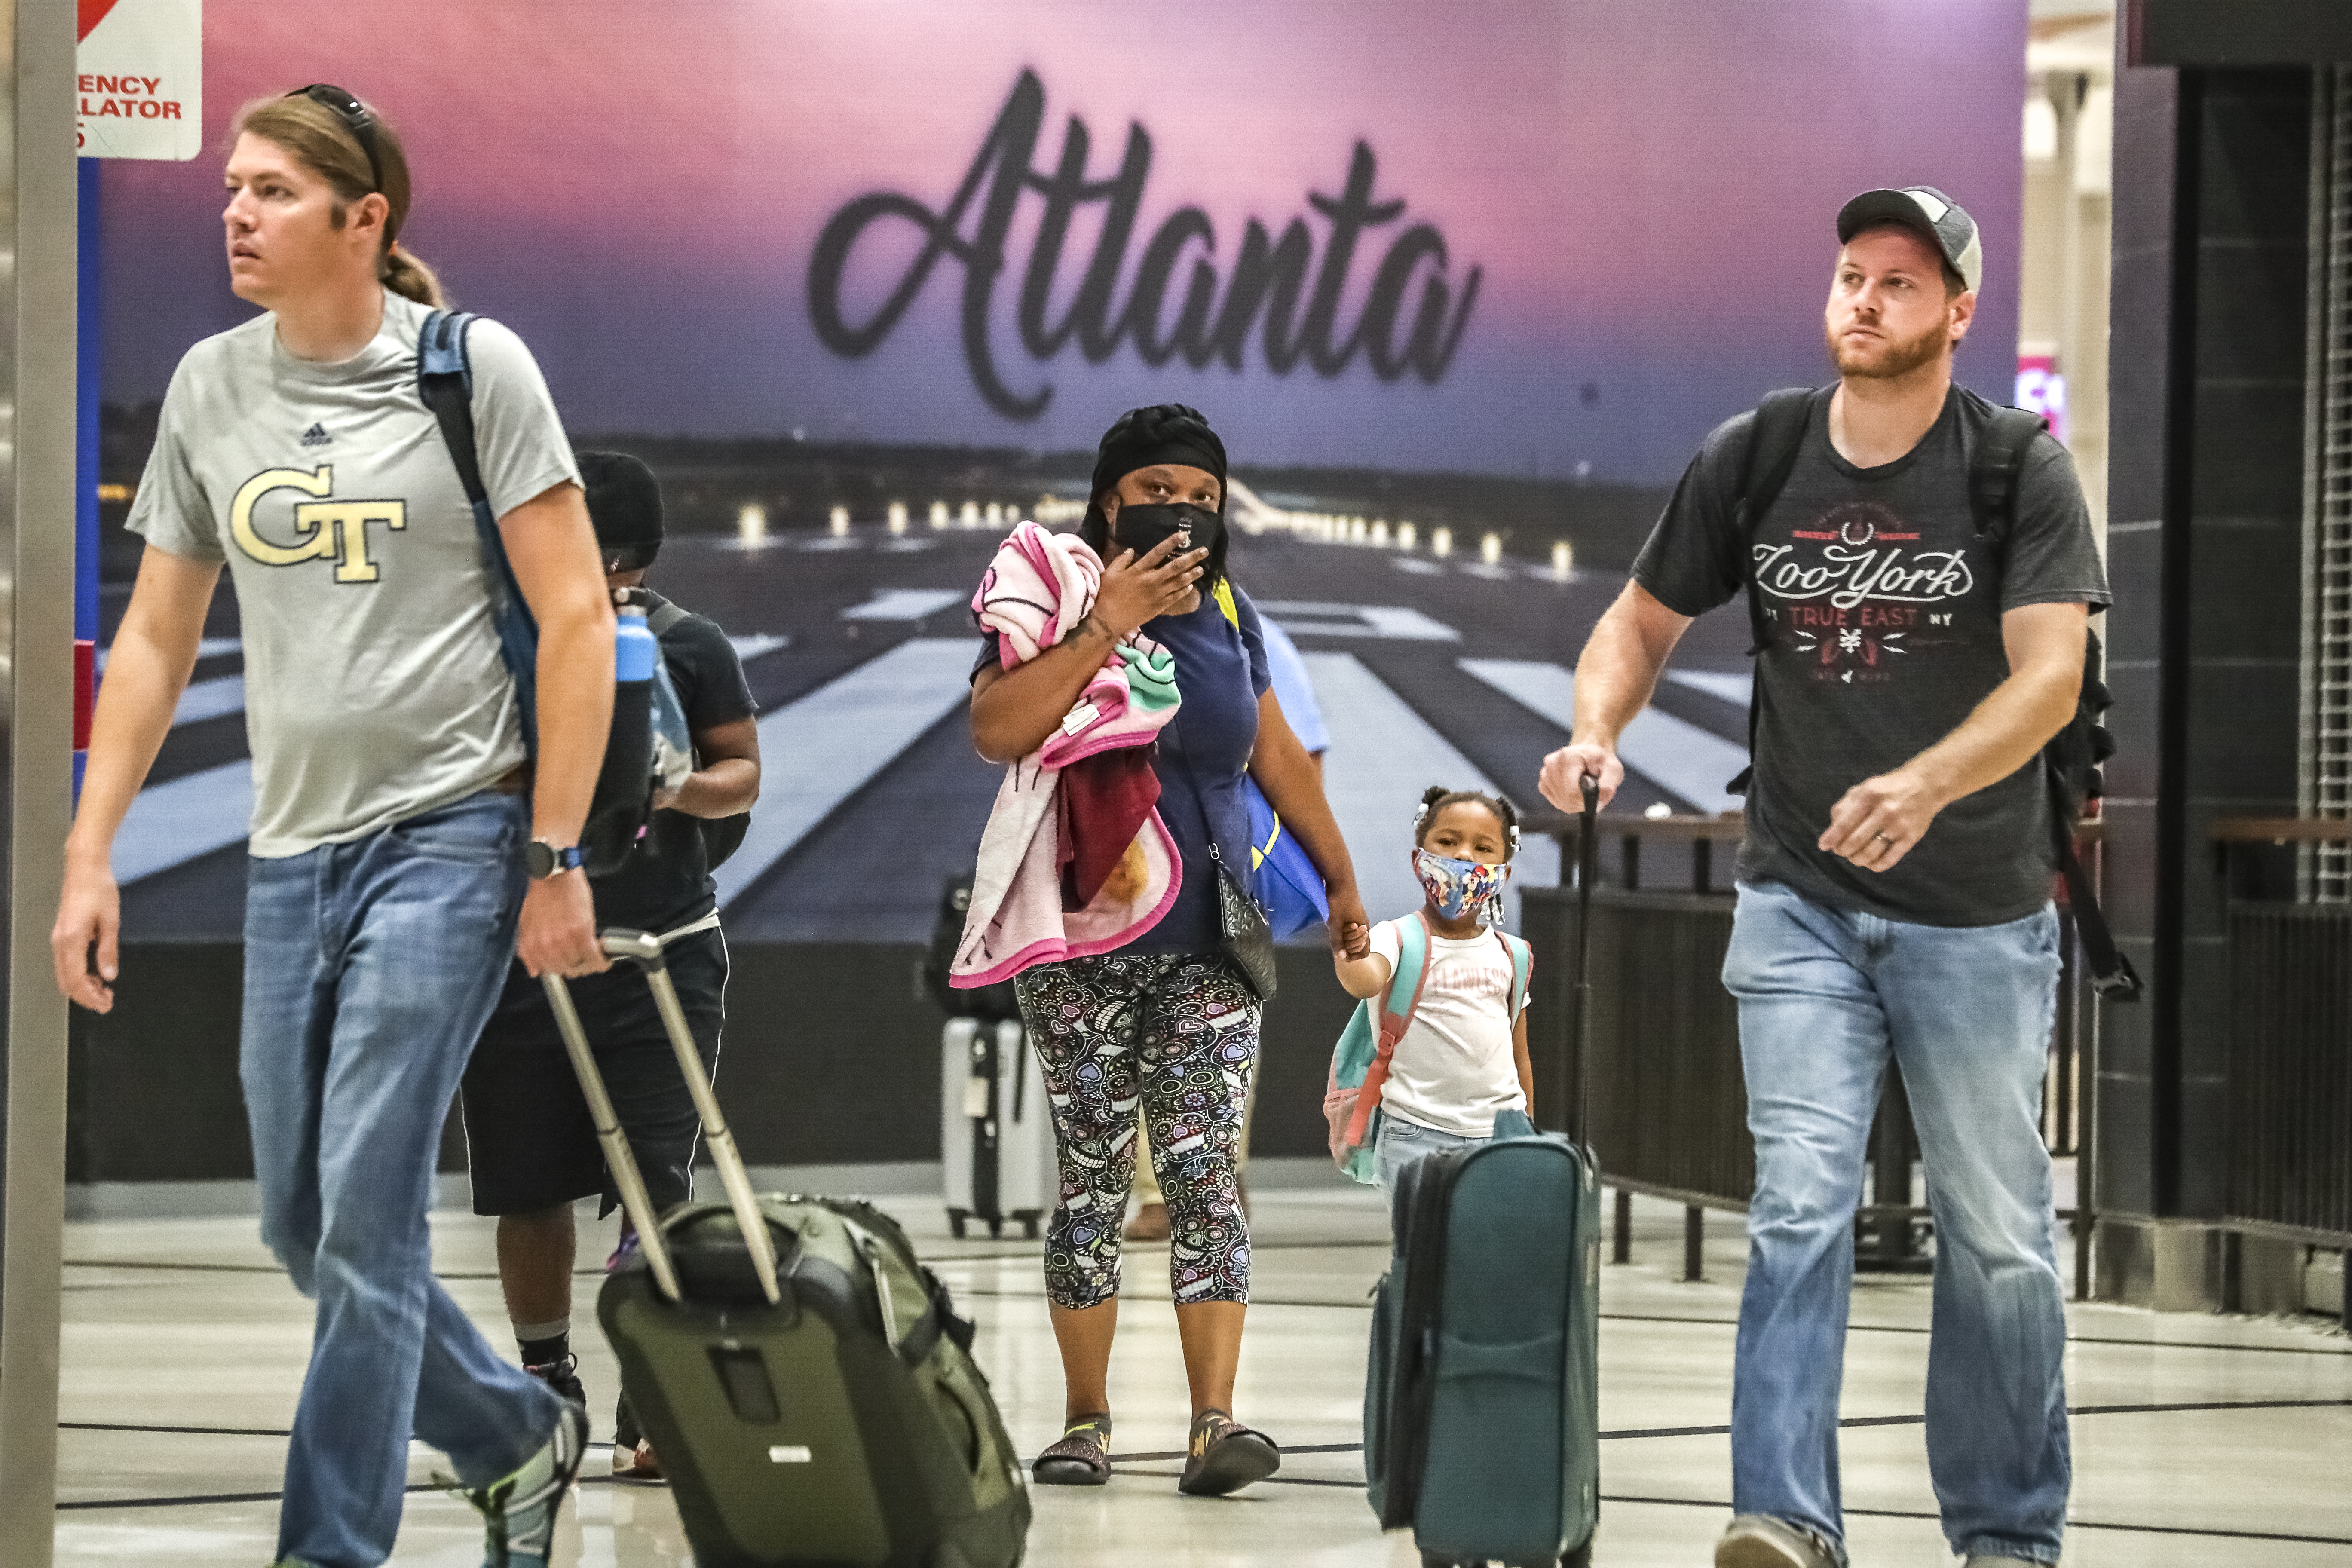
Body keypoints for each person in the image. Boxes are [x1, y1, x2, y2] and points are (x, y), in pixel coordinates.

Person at [50, 87, 614, 1568]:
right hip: (291, 855)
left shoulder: (471, 368)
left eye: (277, 191)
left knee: (365, 1221)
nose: (237, 212)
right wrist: (88, 847)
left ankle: (331, 1546)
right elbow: (159, 639)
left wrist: (552, 850)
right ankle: (510, 1432)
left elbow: (575, 615)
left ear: (367, 222)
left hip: (451, 835)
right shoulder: (207, 388)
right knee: (304, 1229)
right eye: (234, 187)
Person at [1538, 187, 2107, 1568]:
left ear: (1959, 313)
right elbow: (1640, 616)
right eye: (1853, 275)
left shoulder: (2015, 468)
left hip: (1974, 909)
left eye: (1902, 284)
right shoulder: (1763, 452)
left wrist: (1926, 781)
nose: (1866, 299)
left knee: (2001, 1237)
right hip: (1799, 899)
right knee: (1800, 1198)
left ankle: (2007, 1533)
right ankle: (1784, 1515)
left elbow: (2051, 678)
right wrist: (1594, 728)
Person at [966, 403, 1370, 1496]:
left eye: (1201, 495)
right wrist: (1108, 623)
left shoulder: (1229, 612)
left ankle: (1213, 1424)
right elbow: (997, 727)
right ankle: (1084, 1420)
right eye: (1156, 490)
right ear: (1109, 501)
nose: (1182, 510)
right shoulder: (1051, 588)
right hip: (1081, 943)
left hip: (1210, 943)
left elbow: (1273, 754)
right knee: (1093, 1183)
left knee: (1203, 1182)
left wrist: (1337, 875)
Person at [458, 450, 760, 1482]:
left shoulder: (688, 645)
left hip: (661, 949)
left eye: (625, 563)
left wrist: (677, 790)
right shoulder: (502, 644)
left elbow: (742, 774)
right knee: (523, 1182)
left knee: (655, 1182)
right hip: (521, 954)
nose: (609, 581)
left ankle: (656, 1389)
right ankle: (544, 1378)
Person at [1124, 603, 1331, 1243]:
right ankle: (1167, 1185)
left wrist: (1291, 855)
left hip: (1225, 861)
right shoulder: (1108, 623)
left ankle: (1207, 1176)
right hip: (1134, 861)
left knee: (1220, 1028)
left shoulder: (1249, 635)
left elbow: (1302, 756)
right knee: (1139, 1028)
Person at [1332, 787, 1535, 1198]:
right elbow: (1366, 979)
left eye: (1483, 847)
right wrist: (1347, 951)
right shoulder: (1398, 937)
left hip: (1502, 1135)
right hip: (1414, 1135)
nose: (1464, 856)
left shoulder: (1512, 955)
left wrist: (1527, 1132)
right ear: (1418, 860)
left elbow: (1520, 1056)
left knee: (1490, 1255)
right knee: (1424, 1258)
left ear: (1503, 874)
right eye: (1447, 841)